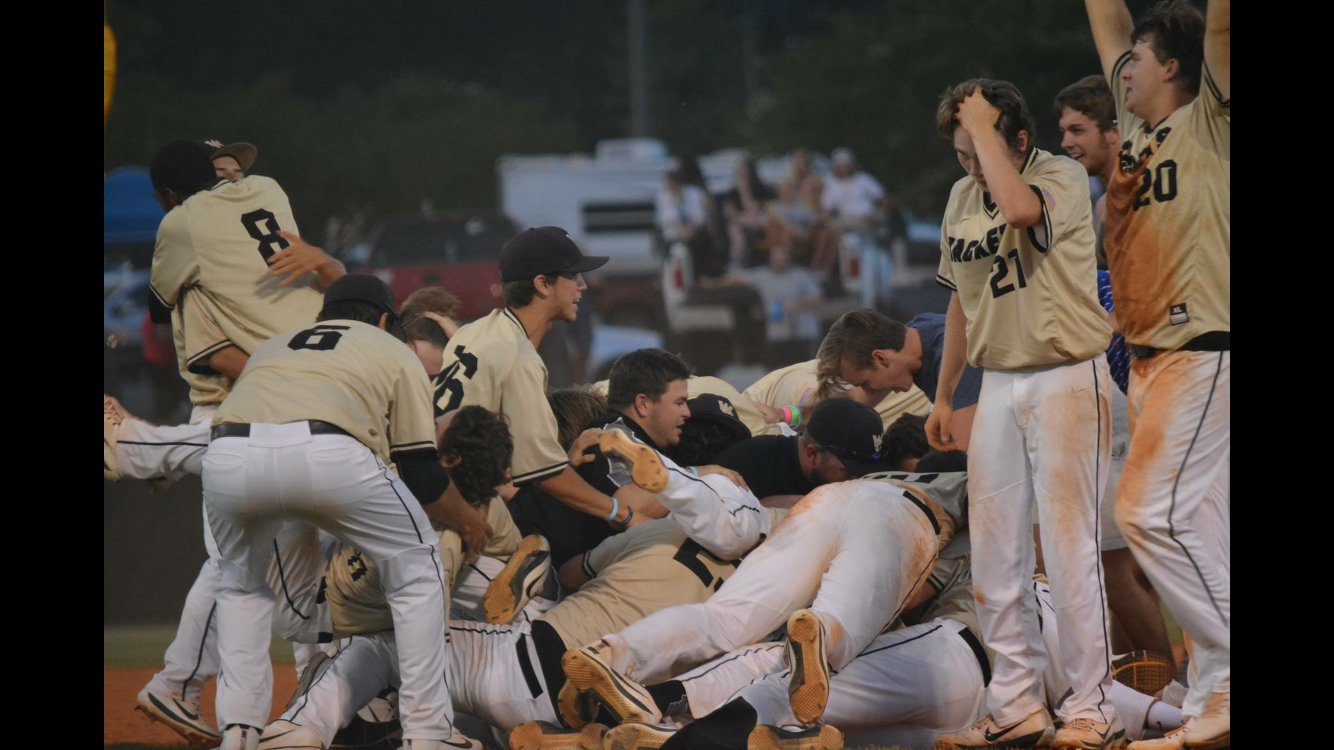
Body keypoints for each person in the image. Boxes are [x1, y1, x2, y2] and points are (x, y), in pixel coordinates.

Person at [119, 141, 345, 746]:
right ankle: (182, 686)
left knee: (283, 569)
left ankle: (297, 698)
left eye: (240, 166)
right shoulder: (212, 247)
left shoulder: (233, 224)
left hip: (283, 400)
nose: (235, 173)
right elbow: (202, 346)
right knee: (235, 569)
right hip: (237, 404)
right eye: (222, 166)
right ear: (198, 183)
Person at [926, 79, 1120, 750]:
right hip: (1001, 378)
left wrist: (984, 130)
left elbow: (1015, 209)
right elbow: (962, 298)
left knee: (1069, 550)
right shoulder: (958, 196)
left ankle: (1091, 708)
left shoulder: (1058, 173)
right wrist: (946, 393)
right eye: (960, 155)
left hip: (1066, 372)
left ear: (1018, 139)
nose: (971, 168)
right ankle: (1016, 705)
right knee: (996, 553)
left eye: (979, 150)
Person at [200, 274, 469, 750]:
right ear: (386, 319)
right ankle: (428, 732)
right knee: (417, 569)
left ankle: (239, 731)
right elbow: (422, 475)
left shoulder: (274, 345)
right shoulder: (391, 349)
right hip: (327, 451)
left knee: (241, 585)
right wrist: (468, 517)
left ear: (324, 314)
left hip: (228, 456)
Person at [1083, 1, 1230, 747]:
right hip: (1149, 359)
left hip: (1202, 345)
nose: (1124, 69)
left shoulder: (1211, 119)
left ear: (1172, 64)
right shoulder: (1138, 133)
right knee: (1204, 529)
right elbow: (1108, 20)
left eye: (1138, 59)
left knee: (1148, 516)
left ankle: (1231, 673)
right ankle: (1211, 699)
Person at [1055, 74, 1177, 674]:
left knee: (1117, 554)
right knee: (1133, 552)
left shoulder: (1137, 189)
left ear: (1112, 130)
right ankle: (1150, 672)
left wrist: (1089, 327)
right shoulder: (1105, 197)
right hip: (1136, 384)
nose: (1067, 142)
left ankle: (1168, 680)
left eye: (1078, 129)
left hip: (1155, 384)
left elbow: (1146, 295)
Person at [816, 308, 983, 449]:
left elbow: (964, 453)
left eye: (866, 384)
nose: (868, 392)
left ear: (881, 358)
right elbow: (851, 402)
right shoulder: (914, 334)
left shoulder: (955, 361)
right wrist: (795, 414)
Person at [713, 397, 887, 509]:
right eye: (848, 471)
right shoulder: (747, 465)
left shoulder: (838, 479)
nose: (855, 481)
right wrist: (762, 509)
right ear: (813, 454)